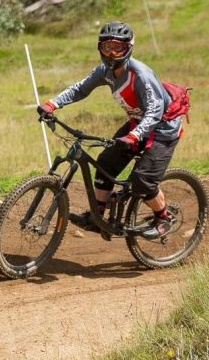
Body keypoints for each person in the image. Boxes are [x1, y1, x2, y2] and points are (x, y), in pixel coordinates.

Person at [37, 21, 181, 238]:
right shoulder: (104, 72)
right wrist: (52, 104)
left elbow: (154, 112)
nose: (112, 54)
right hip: (137, 123)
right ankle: (97, 217)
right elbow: (80, 89)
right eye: (107, 48)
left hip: (162, 128)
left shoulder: (140, 74)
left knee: (142, 180)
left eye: (118, 48)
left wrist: (133, 136)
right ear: (99, 48)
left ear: (128, 48)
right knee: (105, 164)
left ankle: (164, 217)